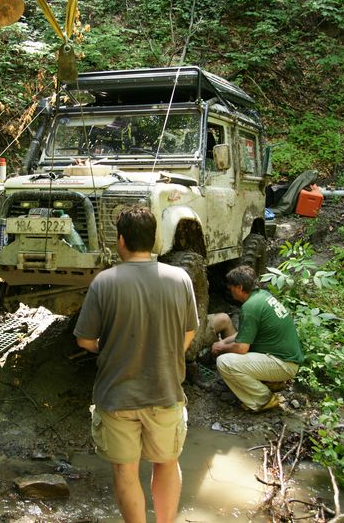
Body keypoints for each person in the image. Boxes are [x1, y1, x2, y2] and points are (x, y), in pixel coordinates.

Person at [73, 205, 198, 523]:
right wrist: (167, 354)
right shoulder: (180, 278)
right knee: (167, 462)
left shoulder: (104, 282)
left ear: (121, 240)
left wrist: (108, 347)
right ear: (154, 240)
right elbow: (190, 331)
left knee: (126, 472)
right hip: (165, 392)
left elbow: (85, 340)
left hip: (117, 397)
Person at [210, 265, 304, 412]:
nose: (229, 289)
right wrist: (223, 342)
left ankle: (263, 399)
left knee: (224, 362)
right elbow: (244, 334)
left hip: (283, 364)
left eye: (231, 286)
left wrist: (221, 348)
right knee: (233, 354)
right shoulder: (262, 296)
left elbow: (242, 348)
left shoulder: (250, 307)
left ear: (239, 287)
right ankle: (268, 383)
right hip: (285, 359)